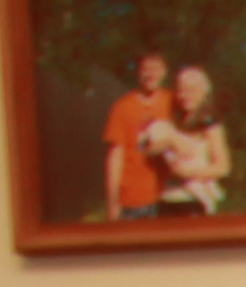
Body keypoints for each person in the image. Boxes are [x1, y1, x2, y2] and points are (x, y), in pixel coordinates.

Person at [140, 68, 228, 216]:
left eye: (191, 91)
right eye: (181, 91)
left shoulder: (210, 123)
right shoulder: (174, 121)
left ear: (204, 93)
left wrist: (188, 173)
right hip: (168, 197)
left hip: (194, 200)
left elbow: (222, 167)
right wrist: (170, 142)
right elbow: (147, 149)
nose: (185, 96)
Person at [98, 48, 170, 223]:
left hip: (168, 196)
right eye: (146, 69)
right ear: (138, 72)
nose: (151, 74)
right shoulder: (122, 107)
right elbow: (115, 157)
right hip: (132, 200)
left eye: (156, 68)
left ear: (165, 71)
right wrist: (113, 202)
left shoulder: (174, 102)